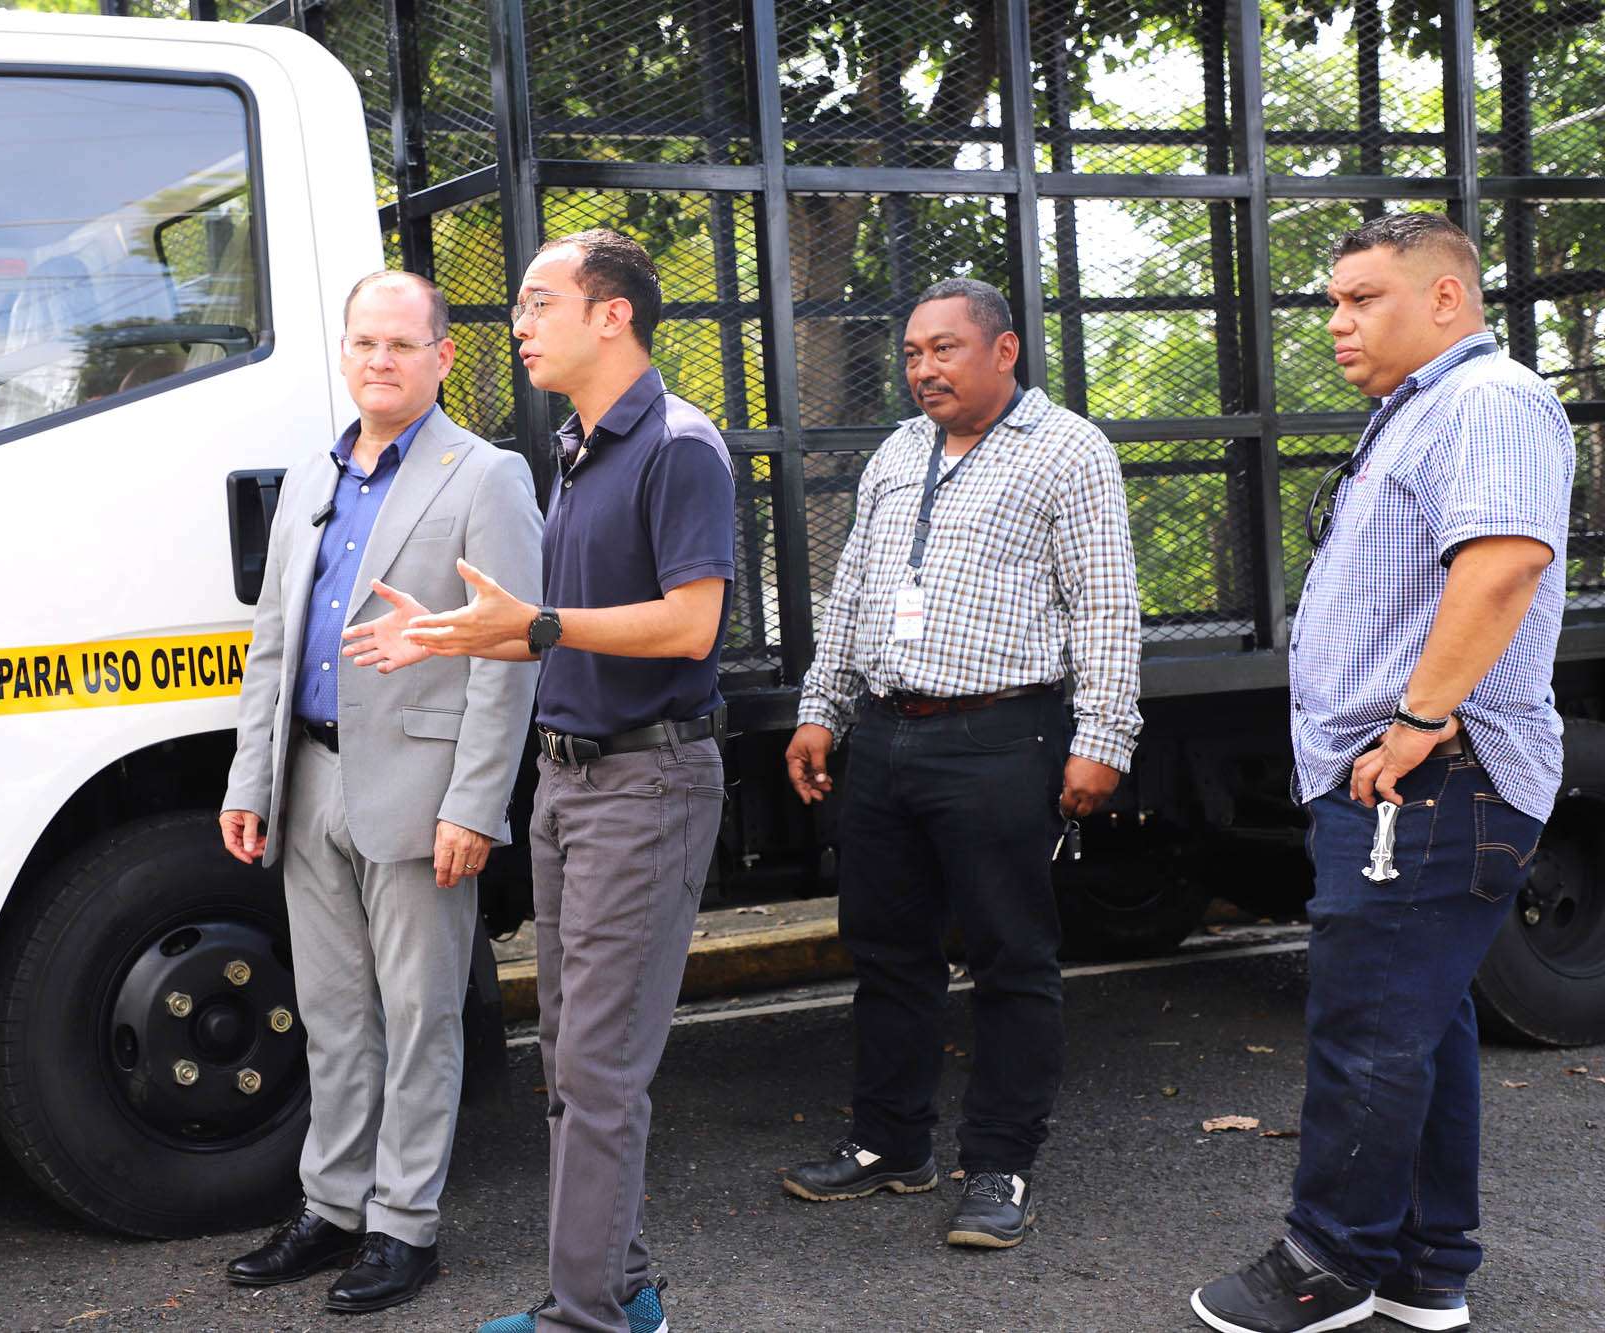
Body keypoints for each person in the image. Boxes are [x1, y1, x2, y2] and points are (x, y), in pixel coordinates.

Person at [341, 228, 733, 1333]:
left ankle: (585, 1318)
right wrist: (458, 637)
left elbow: (689, 623)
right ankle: (623, 1289)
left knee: (599, 1070)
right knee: (569, 1058)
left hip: (644, 786)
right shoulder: (578, 447)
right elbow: (556, 634)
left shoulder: (677, 445)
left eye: (536, 303)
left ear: (611, 315)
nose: (516, 324)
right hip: (567, 784)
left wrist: (538, 621)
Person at [1190, 214, 1573, 1333]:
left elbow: (1501, 561)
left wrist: (1415, 720)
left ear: (1446, 299)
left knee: (1366, 1024)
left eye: (1361, 299)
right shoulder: (1419, 411)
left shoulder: (1484, 400)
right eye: (1331, 303)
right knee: (1420, 1022)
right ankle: (1421, 1266)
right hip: (1406, 779)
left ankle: (1326, 1260)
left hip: (1431, 778)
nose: (1336, 323)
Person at [778, 278, 1141, 1249]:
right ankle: (889, 1144)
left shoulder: (1067, 450)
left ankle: (1000, 1166)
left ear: (1003, 350)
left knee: (1010, 959)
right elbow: (854, 586)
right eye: (909, 353)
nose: (923, 369)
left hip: (1001, 736)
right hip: (889, 736)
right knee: (886, 949)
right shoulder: (897, 453)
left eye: (943, 349)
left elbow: (1104, 604)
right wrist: (823, 712)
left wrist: (1101, 740)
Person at [217, 271, 542, 1315]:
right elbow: (272, 640)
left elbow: (507, 657)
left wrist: (473, 804)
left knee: (418, 1016)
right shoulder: (318, 476)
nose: (379, 361)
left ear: (442, 357)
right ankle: (332, 1207)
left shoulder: (482, 476)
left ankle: (405, 1226)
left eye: (401, 345)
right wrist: (251, 778)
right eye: (364, 343)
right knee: (331, 1013)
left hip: (420, 785)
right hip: (309, 776)